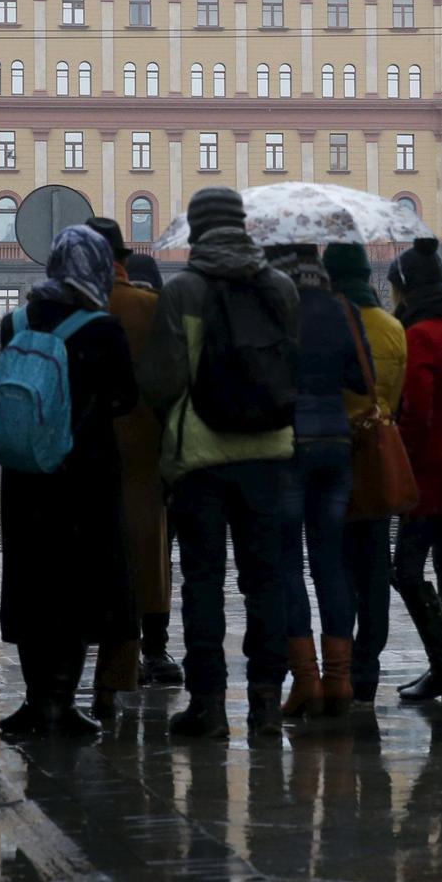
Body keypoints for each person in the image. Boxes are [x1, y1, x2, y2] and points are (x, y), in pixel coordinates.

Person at [140, 186, 299, 740]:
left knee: (202, 580)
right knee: (267, 580)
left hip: (201, 459)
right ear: (243, 225)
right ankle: (265, 704)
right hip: (271, 453)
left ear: (198, 231)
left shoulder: (183, 290)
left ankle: (207, 705)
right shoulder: (281, 287)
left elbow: (162, 381)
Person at [0, 226, 139, 738]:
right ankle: (61, 701)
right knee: (78, 587)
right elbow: (126, 397)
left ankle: (35, 702)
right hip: (85, 477)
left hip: (26, 475)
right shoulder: (102, 328)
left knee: (33, 582)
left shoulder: (14, 322)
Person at [267, 245, 367, 720]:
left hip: (288, 444)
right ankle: (340, 680)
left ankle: (306, 681)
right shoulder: (342, 307)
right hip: (336, 443)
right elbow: (361, 378)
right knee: (331, 562)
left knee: (288, 562)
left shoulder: (274, 308)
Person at [85, 217, 180, 703]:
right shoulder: (151, 307)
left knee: (86, 556)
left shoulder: (66, 310)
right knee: (149, 556)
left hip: (80, 455)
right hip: (145, 450)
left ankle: (84, 668)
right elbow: (172, 382)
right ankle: (144, 656)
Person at [387, 238, 442, 704]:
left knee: (404, 571)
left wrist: (399, 464)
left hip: (429, 477)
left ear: (405, 288)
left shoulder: (419, 334)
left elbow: (416, 414)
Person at [324, 241, 407, 707]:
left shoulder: (330, 324)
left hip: (336, 457)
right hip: (377, 457)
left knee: (334, 566)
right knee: (375, 566)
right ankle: (367, 664)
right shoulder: (393, 329)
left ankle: (337, 663)